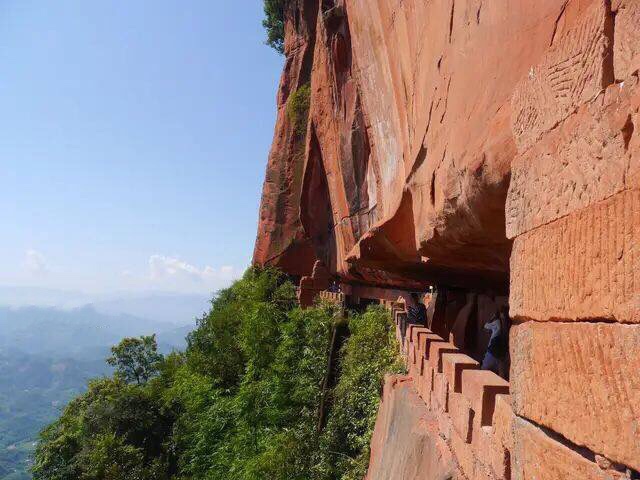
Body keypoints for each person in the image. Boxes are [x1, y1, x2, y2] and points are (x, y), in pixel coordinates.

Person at [482, 306, 510, 376]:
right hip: (502, 353)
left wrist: (492, 317)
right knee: (501, 374)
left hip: (493, 351)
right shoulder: (509, 323)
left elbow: (485, 326)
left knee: (484, 370)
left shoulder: (497, 322)